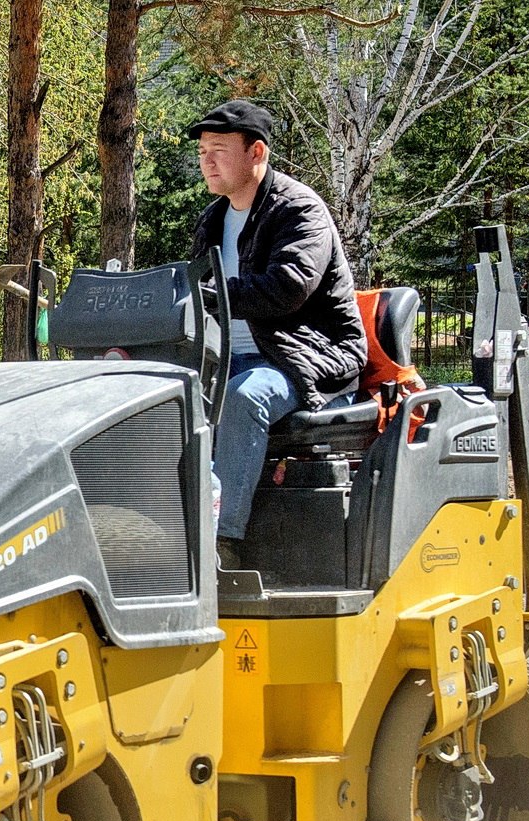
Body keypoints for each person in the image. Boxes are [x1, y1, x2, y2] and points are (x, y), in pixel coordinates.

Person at [187, 99, 366, 570]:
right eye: (203, 151)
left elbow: (287, 288)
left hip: (302, 358)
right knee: (163, 398)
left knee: (245, 397)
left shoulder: (299, 209)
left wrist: (213, 295)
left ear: (256, 152)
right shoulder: (212, 219)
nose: (206, 160)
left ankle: (219, 543)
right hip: (227, 359)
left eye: (219, 149)